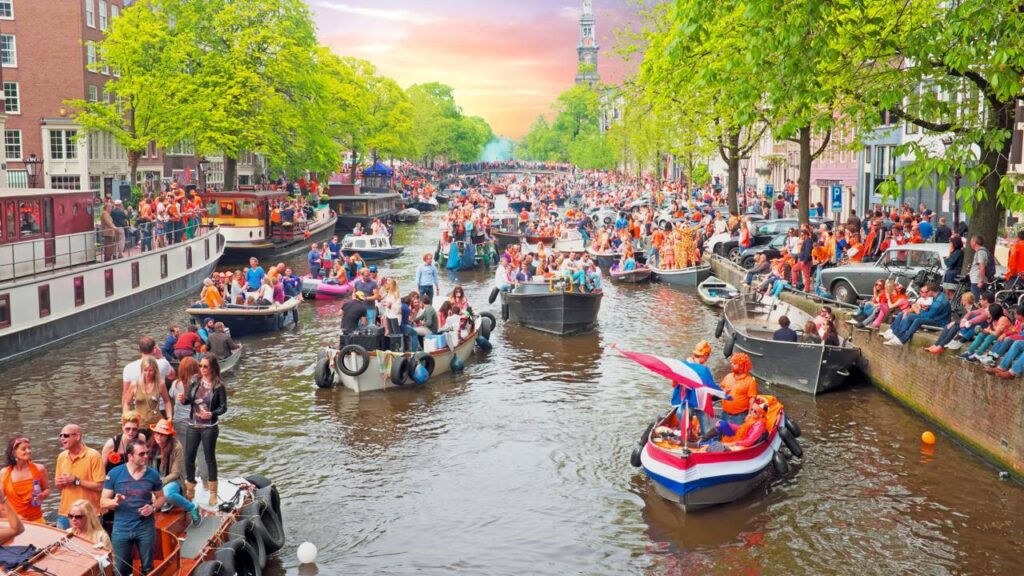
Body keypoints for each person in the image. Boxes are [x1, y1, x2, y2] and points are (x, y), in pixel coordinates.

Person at [101, 439, 165, 576]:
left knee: (148, 568)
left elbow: (161, 498)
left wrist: (153, 507)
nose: (146, 457)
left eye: (146, 453)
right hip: (121, 528)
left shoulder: (153, 474)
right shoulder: (115, 473)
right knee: (120, 569)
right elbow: (102, 502)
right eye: (141, 454)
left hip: (145, 527)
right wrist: (114, 502)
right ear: (130, 456)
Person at [178, 356, 227, 505]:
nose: (202, 369)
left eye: (205, 366)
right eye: (200, 366)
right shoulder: (195, 380)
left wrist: (212, 414)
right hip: (193, 424)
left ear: (212, 367)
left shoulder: (218, 386)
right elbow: (189, 400)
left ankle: (213, 491)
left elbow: (223, 407)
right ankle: (190, 487)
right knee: (188, 457)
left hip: (209, 427)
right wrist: (183, 400)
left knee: (209, 458)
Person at [148, 419, 201, 526]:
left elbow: (175, 473)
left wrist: (158, 484)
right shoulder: (149, 447)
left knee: (167, 493)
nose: (159, 437)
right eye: (157, 433)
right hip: (154, 481)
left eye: (163, 434)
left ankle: (192, 508)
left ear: (168, 435)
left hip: (172, 481)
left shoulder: (176, 447)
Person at [54, 424, 105, 529]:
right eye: (61, 436)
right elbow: (58, 486)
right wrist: (59, 483)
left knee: (90, 545)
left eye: (66, 435)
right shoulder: (61, 457)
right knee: (61, 545)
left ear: (77, 436)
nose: (62, 438)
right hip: (66, 513)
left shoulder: (93, 455)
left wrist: (76, 481)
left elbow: (100, 486)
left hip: (88, 514)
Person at [1, 437, 49, 523]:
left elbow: (47, 489)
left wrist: (42, 495)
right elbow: (1, 501)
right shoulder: (3, 473)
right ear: (13, 453)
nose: (28, 451)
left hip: (37, 521)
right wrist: (13, 516)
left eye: (29, 448)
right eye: (24, 449)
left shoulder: (40, 469)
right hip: (15, 522)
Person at [701, 397, 770, 451]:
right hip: (739, 438)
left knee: (720, 445)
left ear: (761, 415)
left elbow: (749, 441)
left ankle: (701, 445)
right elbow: (741, 428)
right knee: (722, 424)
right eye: (751, 409)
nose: (752, 412)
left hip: (743, 444)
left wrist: (733, 443)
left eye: (755, 411)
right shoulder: (752, 418)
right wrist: (729, 425)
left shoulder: (759, 425)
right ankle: (703, 440)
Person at [124, 357, 173, 428]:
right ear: (142, 371)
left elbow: (167, 401)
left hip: (156, 423)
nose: (148, 373)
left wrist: (169, 417)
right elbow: (127, 403)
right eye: (145, 370)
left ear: (155, 371)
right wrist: (126, 418)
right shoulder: (134, 385)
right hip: (140, 424)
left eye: (151, 370)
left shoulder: (160, 384)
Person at [717, 353, 757, 425]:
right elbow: (720, 389)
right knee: (722, 433)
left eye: (735, 364)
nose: (732, 365)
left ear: (742, 366)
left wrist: (749, 414)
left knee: (737, 435)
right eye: (732, 363)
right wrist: (723, 391)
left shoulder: (750, 381)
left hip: (739, 417)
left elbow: (752, 399)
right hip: (724, 413)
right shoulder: (728, 376)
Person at [969, 235, 991, 299]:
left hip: (977, 281)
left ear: (974, 242)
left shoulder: (981, 252)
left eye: (971, 241)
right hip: (977, 280)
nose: (970, 243)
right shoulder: (981, 251)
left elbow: (982, 266)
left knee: (977, 301)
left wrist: (981, 281)